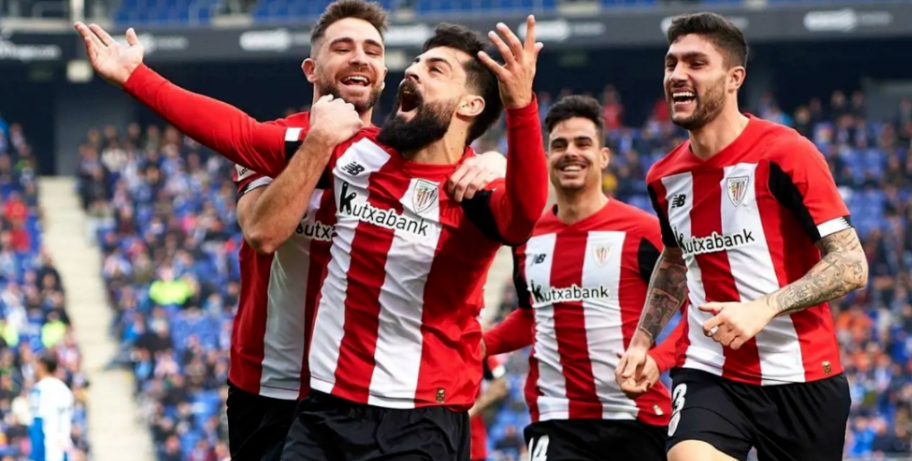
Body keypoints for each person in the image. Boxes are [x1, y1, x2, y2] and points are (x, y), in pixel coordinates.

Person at [77, 12, 549, 461]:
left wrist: (520, 110)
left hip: (422, 414)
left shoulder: (474, 186)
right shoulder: (354, 153)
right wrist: (136, 77)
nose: (413, 70)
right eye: (416, 62)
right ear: (312, 68)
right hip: (325, 406)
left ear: (470, 104)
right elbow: (239, 137)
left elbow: (524, 215)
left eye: (434, 68)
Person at [225, 2, 506, 460]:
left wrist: (496, 161)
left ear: (382, 74)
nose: (359, 58)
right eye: (343, 48)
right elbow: (262, 233)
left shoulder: (414, 159)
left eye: (372, 51)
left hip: (364, 392)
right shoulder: (276, 140)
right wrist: (319, 144)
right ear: (312, 69)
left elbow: (483, 183)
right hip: (270, 383)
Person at [616, 12, 868, 461]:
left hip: (802, 376)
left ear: (734, 78)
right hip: (709, 372)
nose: (677, 75)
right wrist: (641, 340)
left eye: (696, 63)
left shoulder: (787, 153)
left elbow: (851, 264)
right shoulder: (663, 177)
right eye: (671, 63)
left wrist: (763, 307)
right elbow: (674, 260)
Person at [482, 95, 681, 461]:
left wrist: (658, 359)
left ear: (603, 156)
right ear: (546, 158)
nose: (570, 152)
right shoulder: (526, 238)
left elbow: (699, 310)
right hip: (556, 420)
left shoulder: (644, 232)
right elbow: (531, 317)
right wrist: (479, 345)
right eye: (560, 145)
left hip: (636, 418)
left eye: (582, 143)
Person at [28, 354, 74, 461]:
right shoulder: (64, 389)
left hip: (46, 446)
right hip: (62, 445)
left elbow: (38, 421)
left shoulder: (40, 389)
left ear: (41, 366)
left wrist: (35, 453)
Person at [469, 354, 509, 461]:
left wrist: (474, 408)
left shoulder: (477, 350)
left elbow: (501, 384)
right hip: (438, 430)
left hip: (471, 439)